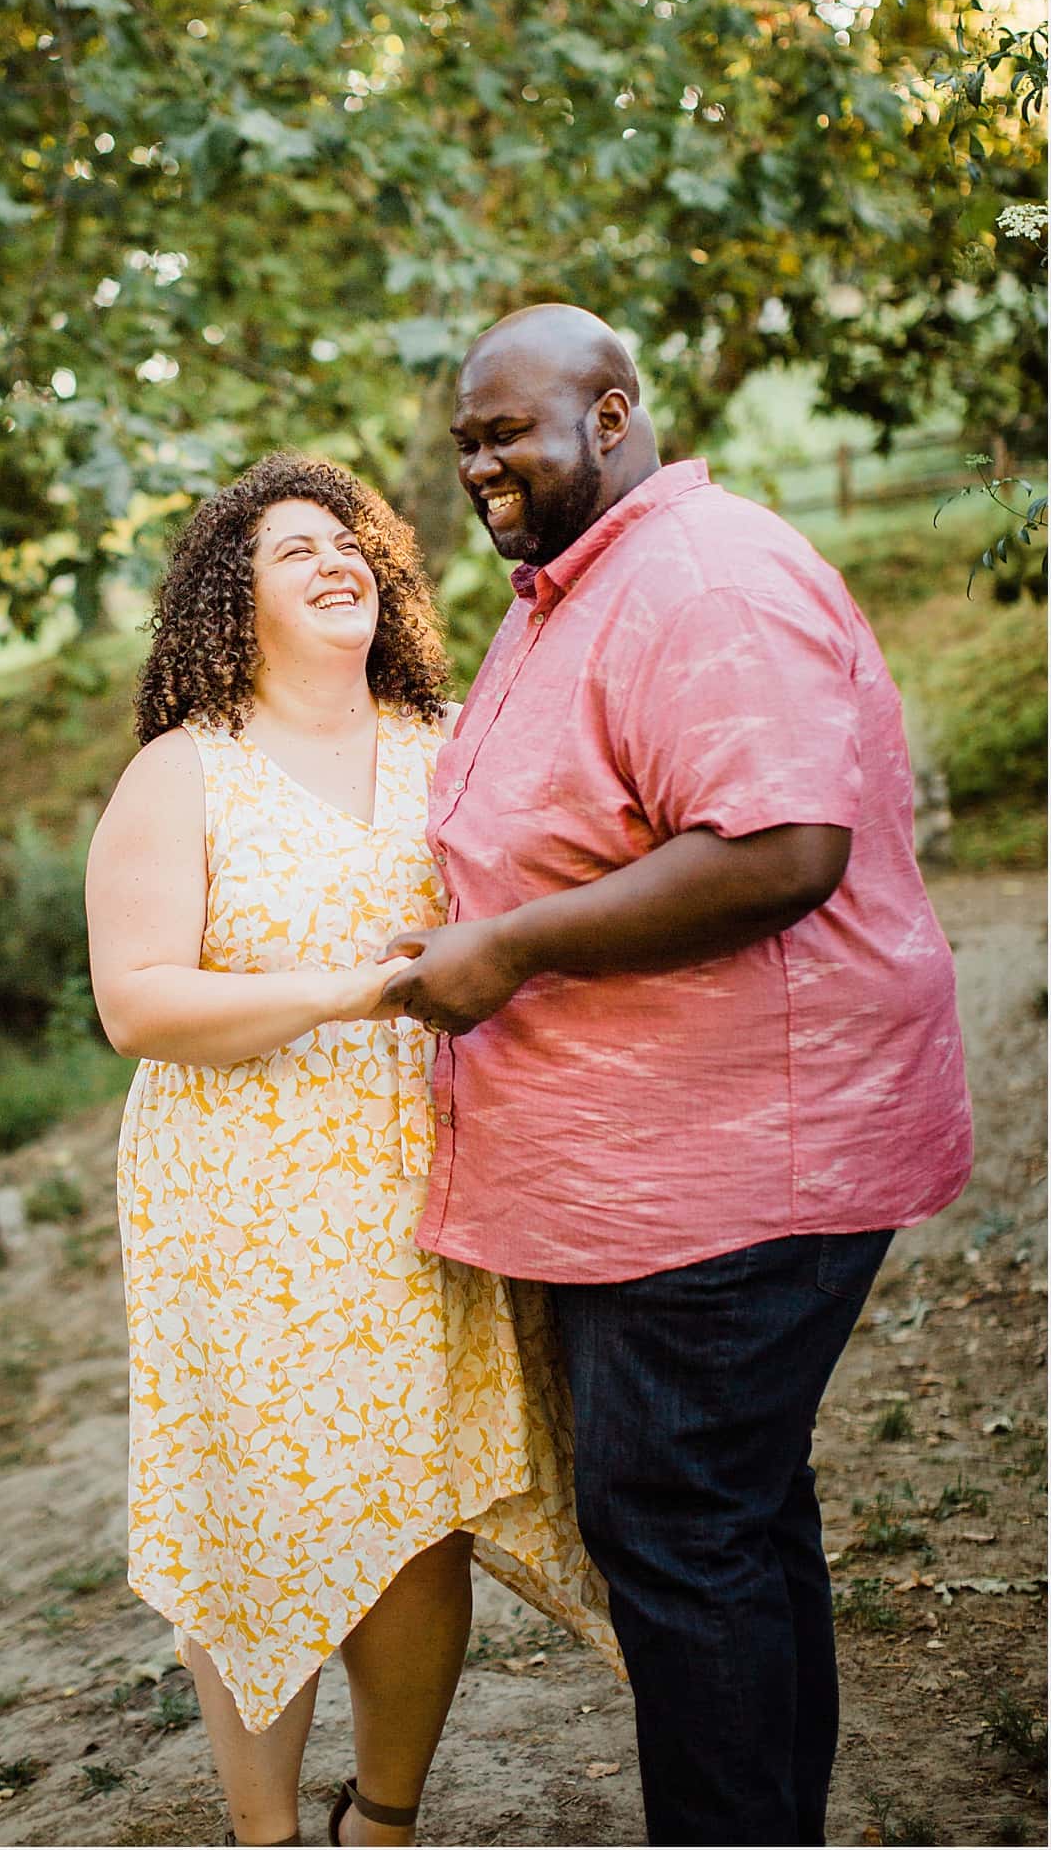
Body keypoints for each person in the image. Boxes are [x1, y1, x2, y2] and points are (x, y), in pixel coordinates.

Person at [381, 305, 973, 1847]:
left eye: (506, 430)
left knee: (680, 1523)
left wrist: (505, 954)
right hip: (656, 1162)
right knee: (729, 1515)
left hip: (738, 1164)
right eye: (465, 441)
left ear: (614, 413)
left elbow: (781, 849)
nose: (479, 463)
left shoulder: (702, 579)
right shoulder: (567, 590)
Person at [85, 452, 614, 1850]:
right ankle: (265, 1836)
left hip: (425, 1185)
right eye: (292, 550)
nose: (337, 561)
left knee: (422, 1511)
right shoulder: (181, 774)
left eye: (352, 540)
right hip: (237, 1202)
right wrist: (353, 988)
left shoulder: (448, 749)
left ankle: (382, 1823)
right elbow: (136, 1004)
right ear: (225, 600)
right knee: (259, 1516)